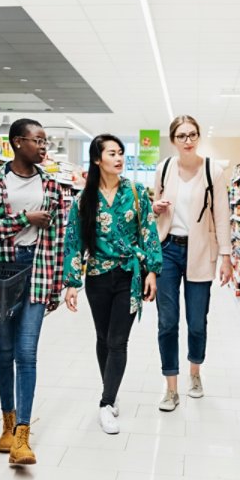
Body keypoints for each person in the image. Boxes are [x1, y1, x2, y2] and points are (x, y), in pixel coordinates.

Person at [0, 118, 64, 465]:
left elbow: (56, 240)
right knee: (4, 352)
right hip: (1, 273)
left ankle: (23, 435)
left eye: (46, 141)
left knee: (27, 353)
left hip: (38, 272)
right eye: (37, 140)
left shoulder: (52, 186)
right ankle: (7, 425)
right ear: (16, 142)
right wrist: (24, 219)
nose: (43, 147)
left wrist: (55, 287)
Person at [63, 134, 162, 435]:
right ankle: (112, 388)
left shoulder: (135, 192)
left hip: (129, 276)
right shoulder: (84, 199)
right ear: (97, 160)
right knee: (103, 338)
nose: (118, 158)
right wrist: (71, 282)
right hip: (96, 277)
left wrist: (152, 272)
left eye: (120, 153)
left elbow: (148, 231)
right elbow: (74, 241)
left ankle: (106, 403)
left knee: (118, 340)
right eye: (112, 153)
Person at [152, 115, 233, 411]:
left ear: (198, 137)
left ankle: (195, 374)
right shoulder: (163, 169)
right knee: (167, 322)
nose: (188, 140)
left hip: (200, 250)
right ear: (173, 140)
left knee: (197, 322)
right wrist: (154, 207)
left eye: (193, 135)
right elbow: (154, 212)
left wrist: (226, 256)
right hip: (168, 250)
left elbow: (222, 215)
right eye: (182, 136)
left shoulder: (213, 171)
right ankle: (171, 387)